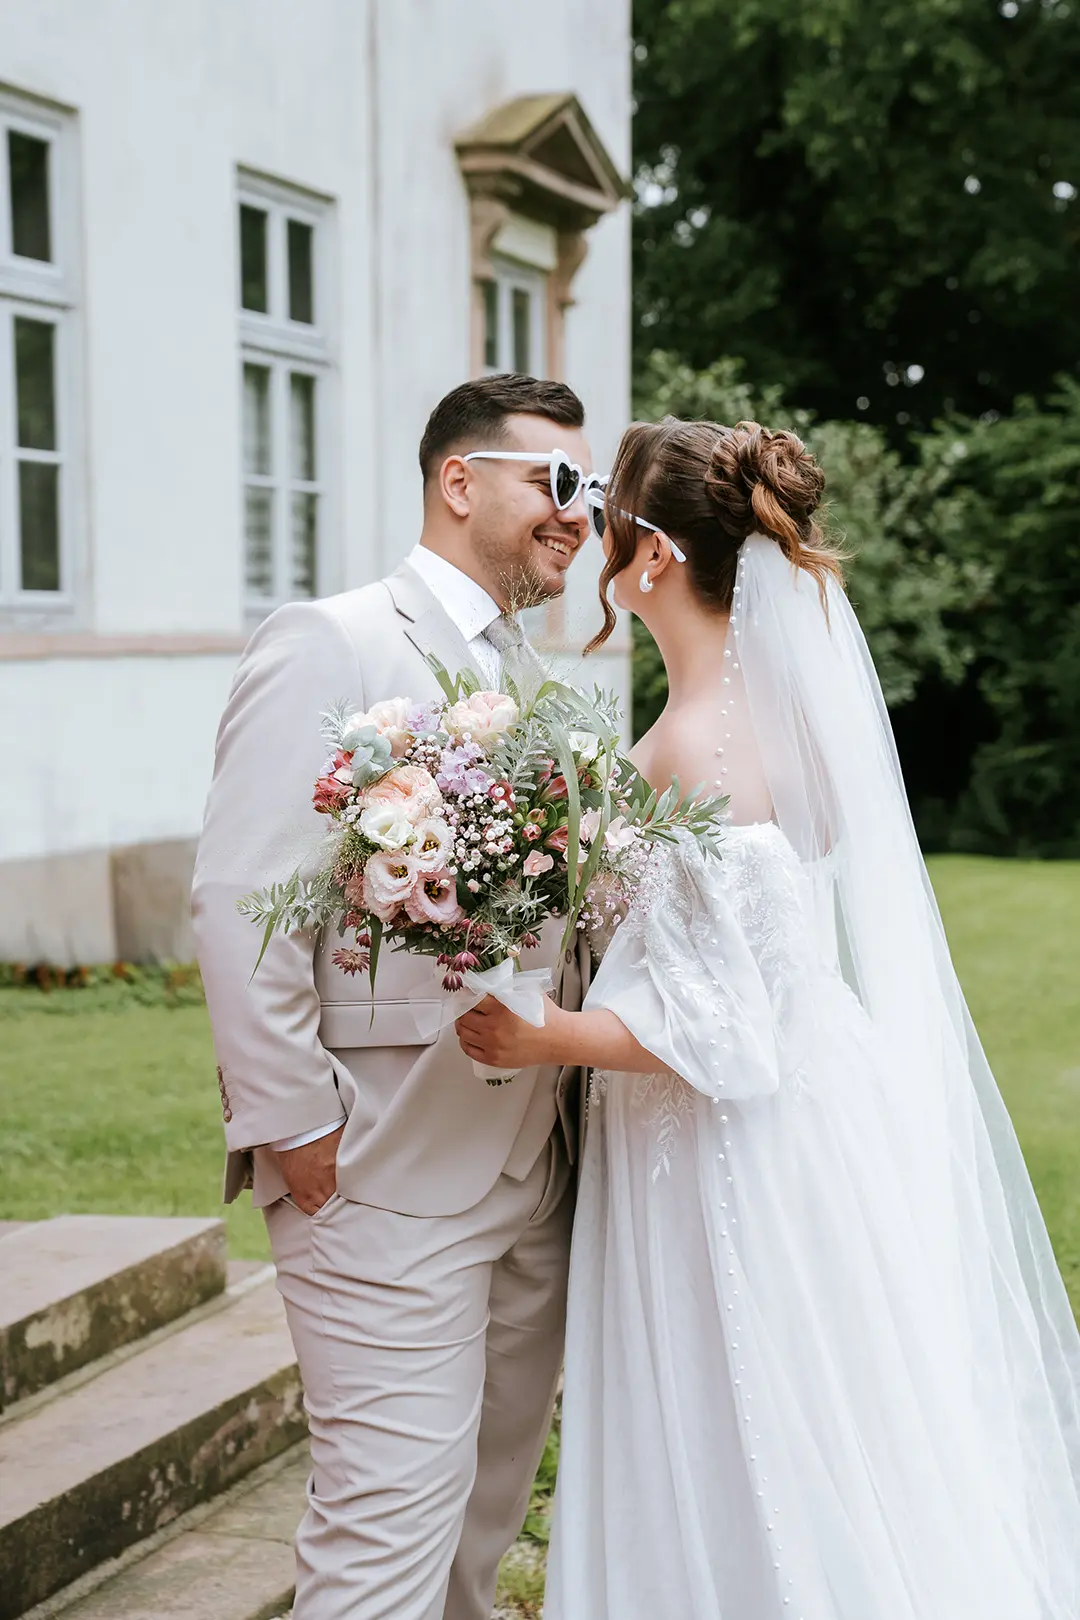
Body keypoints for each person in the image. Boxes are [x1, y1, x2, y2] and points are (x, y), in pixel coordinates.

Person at [456, 416, 1080, 1619]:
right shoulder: (782, 722)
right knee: (826, 1422)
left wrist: (544, 1036)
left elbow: (726, 1030)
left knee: (734, 1432)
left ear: (652, 556)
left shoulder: (694, 743)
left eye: (607, 519)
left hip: (714, 1160)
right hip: (808, 1121)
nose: (589, 535)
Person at [191, 373, 597, 1620]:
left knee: (477, 1535)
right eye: (556, 481)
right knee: (384, 1542)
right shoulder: (336, 640)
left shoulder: (529, 669)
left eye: (589, 488)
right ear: (459, 481)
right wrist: (296, 1128)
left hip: (531, 1169)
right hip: (379, 1170)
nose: (579, 513)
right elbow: (242, 898)